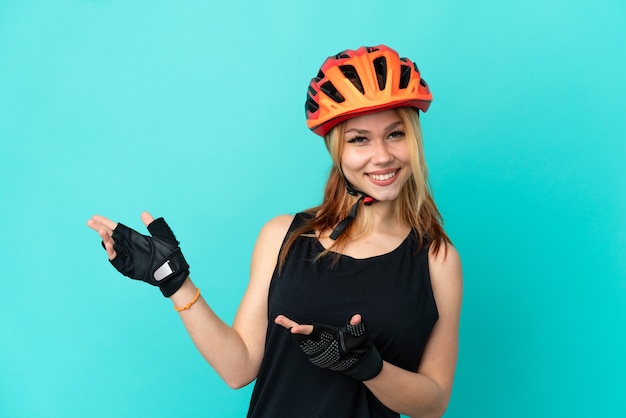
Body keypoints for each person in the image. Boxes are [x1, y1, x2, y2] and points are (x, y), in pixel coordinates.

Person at [87, 44, 463, 418]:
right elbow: (239, 368)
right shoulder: (283, 236)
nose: (382, 155)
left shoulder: (436, 260)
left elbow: (434, 402)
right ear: (337, 149)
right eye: (359, 139)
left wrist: (370, 368)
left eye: (395, 134)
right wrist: (173, 280)